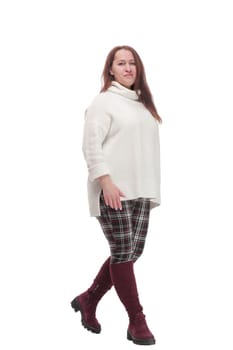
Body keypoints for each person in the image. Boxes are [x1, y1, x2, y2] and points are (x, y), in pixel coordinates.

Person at [71, 45, 162, 346]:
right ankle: (137, 319)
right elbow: (91, 145)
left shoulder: (141, 103)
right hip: (114, 190)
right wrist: (105, 181)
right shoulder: (103, 103)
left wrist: (150, 190)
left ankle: (88, 299)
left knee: (131, 253)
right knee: (124, 253)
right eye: (120, 63)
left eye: (132, 63)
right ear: (110, 69)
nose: (127, 68)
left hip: (141, 190)